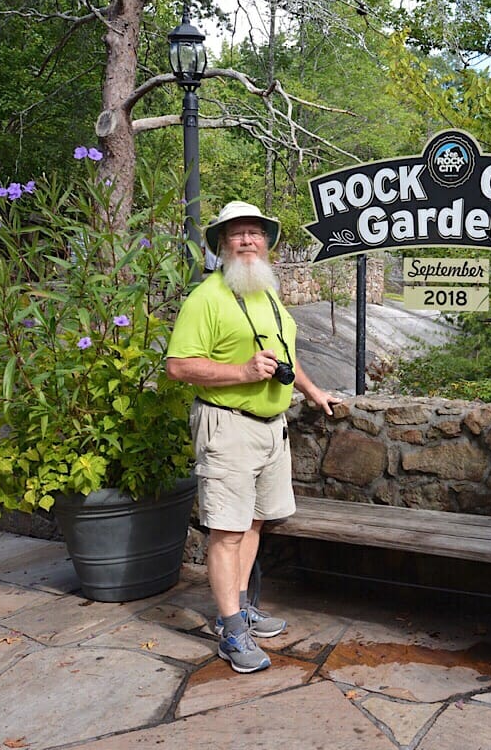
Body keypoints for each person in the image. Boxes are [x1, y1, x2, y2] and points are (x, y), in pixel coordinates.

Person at [166, 200, 341, 674]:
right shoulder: (206, 298)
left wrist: (312, 390)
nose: (247, 240)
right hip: (228, 426)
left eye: (255, 233)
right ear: (221, 244)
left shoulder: (267, 294)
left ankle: (240, 607)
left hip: (270, 431)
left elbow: (287, 357)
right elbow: (178, 366)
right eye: (236, 233)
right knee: (226, 532)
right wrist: (241, 371)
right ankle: (230, 631)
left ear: (266, 243)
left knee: (255, 523)